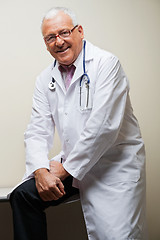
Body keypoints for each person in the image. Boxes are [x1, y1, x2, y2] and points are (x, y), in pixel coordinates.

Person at [10, 7, 147, 240]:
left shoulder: (106, 64)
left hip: (112, 167)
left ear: (79, 31)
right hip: (74, 165)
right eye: (50, 37)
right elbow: (36, 130)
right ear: (45, 44)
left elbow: (103, 127)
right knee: (23, 196)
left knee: (118, 237)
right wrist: (40, 170)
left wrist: (63, 170)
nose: (59, 41)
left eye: (64, 32)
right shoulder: (45, 79)